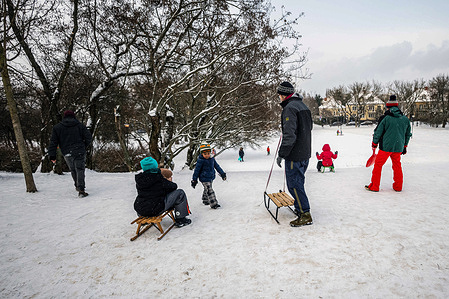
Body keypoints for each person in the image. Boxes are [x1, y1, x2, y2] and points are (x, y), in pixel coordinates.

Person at [275, 81, 313, 227]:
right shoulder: (303, 106)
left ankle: (305, 213)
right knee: (299, 183)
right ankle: (300, 208)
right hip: (305, 153)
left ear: (284, 95)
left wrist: (282, 154)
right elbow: (308, 128)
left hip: (295, 154)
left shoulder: (290, 108)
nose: (279, 97)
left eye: (279, 95)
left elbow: (290, 136)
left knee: (294, 185)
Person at [365, 95, 412, 192]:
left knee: (378, 165)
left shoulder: (385, 118)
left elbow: (378, 132)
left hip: (386, 147)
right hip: (398, 147)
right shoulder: (405, 119)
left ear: (388, 107)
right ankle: (398, 187)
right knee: (397, 165)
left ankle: (374, 186)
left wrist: (374, 143)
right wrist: (405, 146)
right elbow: (408, 134)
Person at [134, 157, 191, 227]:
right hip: (155, 208)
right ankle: (181, 219)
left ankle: (143, 219)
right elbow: (173, 187)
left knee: (144, 196)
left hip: (141, 209)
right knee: (180, 193)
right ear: (154, 167)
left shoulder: (140, 180)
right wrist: (168, 180)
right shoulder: (158, 178)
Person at [48, 110, 92, 197]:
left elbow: (53, 142)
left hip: (66, 151)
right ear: (74, 116)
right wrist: (84, 146)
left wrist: (52, 155)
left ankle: (77, 185)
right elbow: (88, 137)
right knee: (80, 169)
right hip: (79, 150)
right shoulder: (80, 126)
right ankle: (81, 189)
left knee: (73, 169)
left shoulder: (57, 127)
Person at [191, 142, 227, 209]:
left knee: (207, 189)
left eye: (208, 153)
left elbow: (217, 166)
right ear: (202, 153)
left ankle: (205, 200)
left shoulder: (212, 159)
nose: (207, 155)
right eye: (205, 154)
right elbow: (196, 171)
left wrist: (222, 173)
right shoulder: (200, 160)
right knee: (210, 190)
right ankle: (213, 203)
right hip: (204, 178)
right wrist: (194, 180)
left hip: (211, 177)